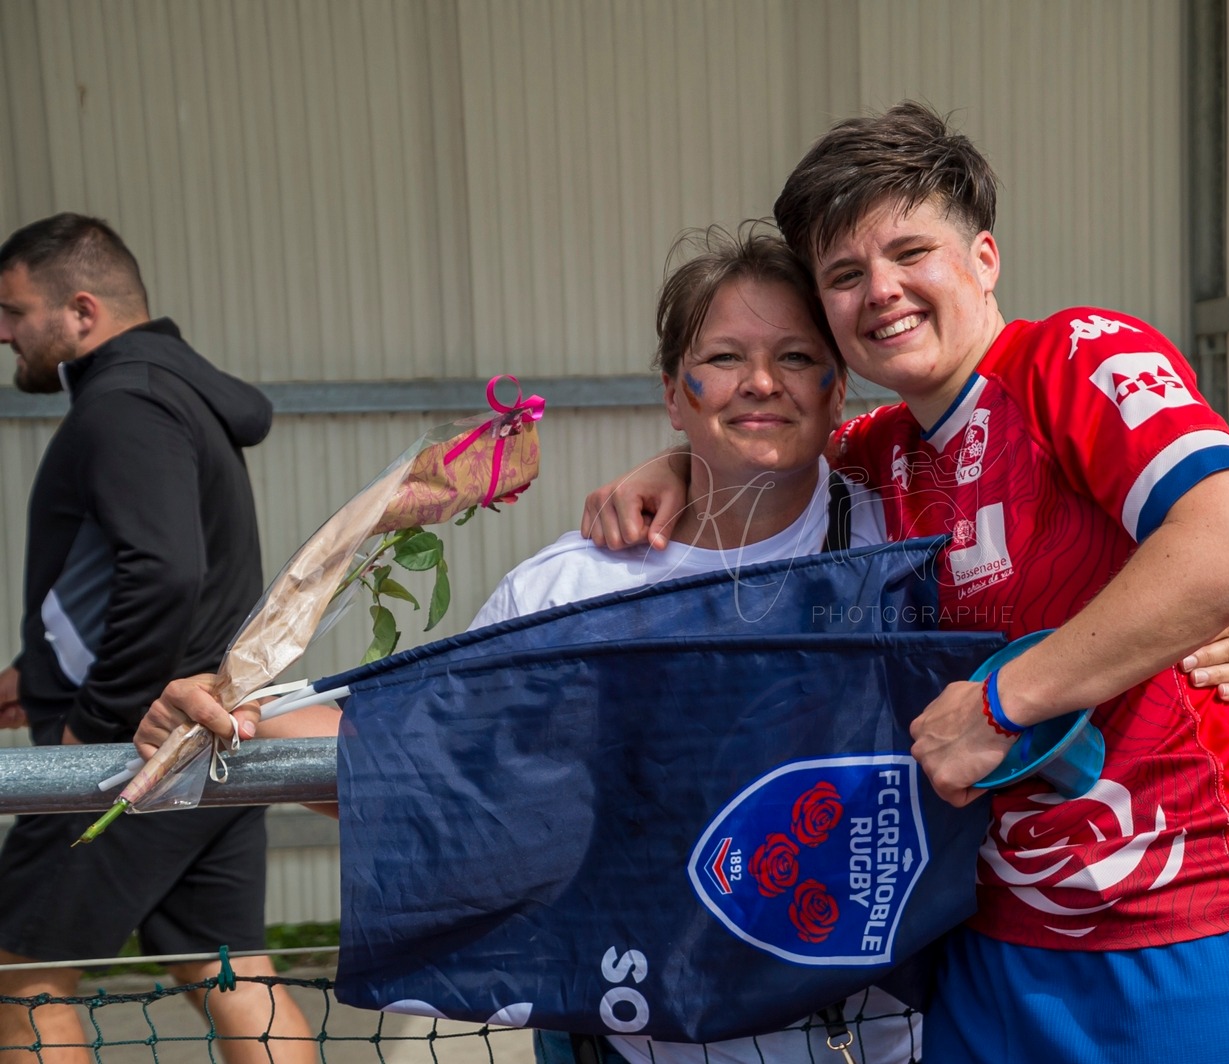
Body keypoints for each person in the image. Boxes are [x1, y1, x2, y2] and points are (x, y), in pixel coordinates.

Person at [582, 103, 1229, 1062]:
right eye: (844, 275)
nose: (880, 292)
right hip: (988, 948)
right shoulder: (882, 452)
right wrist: (672, 468)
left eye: (909, 253)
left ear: (983, 259)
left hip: (1179, 926)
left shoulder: (1078, 355)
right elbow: (763, 451)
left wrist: (1007, 703)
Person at [140, 225, 918, 1064]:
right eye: (724, 357)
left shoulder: (909, 542)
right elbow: (431, 764)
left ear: (842, 388)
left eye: (797, 356)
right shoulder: (571, 590)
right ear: (673, 393)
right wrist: (235, 716)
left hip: (881, 1042)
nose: (761, 383)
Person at [0, 214, 313, 1064]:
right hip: (200, 740)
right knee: (229, 971)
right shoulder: (167, 393)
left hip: (134, 753)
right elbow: (159, 568)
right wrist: (37, 674)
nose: (4, 332)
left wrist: (86, 727)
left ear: (83, 311)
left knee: (20, 983)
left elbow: (166, 571)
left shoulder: (124, 403)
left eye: (16, 311)